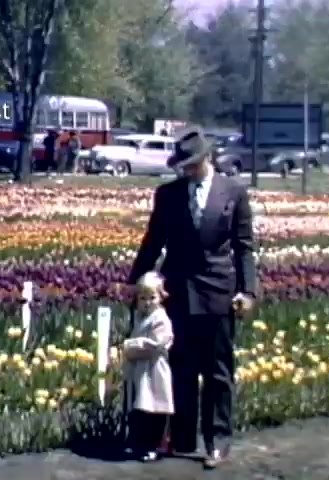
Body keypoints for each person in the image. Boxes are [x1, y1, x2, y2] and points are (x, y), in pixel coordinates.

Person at [127, 126, 257, 469]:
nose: (187, 171)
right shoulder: (167, 195)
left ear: (207, 159)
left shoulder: (233, 192)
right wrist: (136, 280)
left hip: (218, 290)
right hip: (178, 290)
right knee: (179, 368)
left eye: (192, 165)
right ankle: (181, 437)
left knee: (217, 371)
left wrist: (248, 290)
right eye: (183, 166)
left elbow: (244, 247)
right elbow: (153, 240)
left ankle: (218, 440)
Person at [123, 271, 174, 463]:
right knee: (141, 408)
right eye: (142, 298)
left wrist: (130, 346)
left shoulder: (160, 319)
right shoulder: (139, 317)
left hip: (154, 370)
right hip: (140, 370)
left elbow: (155, 345)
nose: (147, 302)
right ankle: (139, 444)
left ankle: (154, 446)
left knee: (154, 408)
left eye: (152, 297)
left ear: (161, 297)